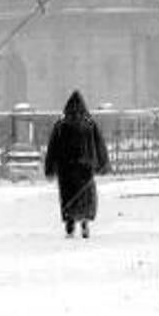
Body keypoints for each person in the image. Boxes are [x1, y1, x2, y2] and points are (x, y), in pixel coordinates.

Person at [43, 90, 110, 239]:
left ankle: (70, 222)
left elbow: (53, 147)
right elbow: (99, 145)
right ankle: (85, 222)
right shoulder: (89, 124)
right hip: (85, 167)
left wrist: (50, 168)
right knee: (85, 196)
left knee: (68, 196)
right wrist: (102, 163)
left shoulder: (60, 125)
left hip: (66, 168)